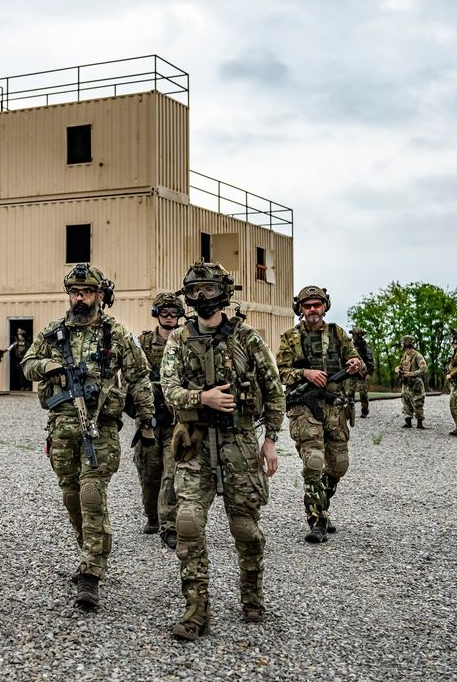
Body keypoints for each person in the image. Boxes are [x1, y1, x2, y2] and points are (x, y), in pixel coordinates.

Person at [21, 263, 154, 611]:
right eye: (75, 292)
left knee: (91, 493)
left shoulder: (116, 333)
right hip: (62, 427)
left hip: (100, 427)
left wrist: (147, 420)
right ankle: (88, 551)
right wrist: (50, 367)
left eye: (87, 292)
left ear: (99, 295)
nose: (80, 298)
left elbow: (140, 377)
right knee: (71, 496)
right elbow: (28, 363)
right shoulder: (55, 332)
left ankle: (91, 573)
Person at [160, 262, 283, 634]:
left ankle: (252, 597)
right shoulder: (178, 341)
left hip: (240, 446)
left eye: (208, 291)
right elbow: (168, 390)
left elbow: (275, 391)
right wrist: (204, 398)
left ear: (223, 293)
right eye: (194, 293)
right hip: (195, 446)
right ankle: (196, 610)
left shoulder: (246, 338)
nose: (201, 299)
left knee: (246, 529)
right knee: (189, 525)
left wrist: (271, 440)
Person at [276, 285, 365, 544]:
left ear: (324, 306)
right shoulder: (290, 338)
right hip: (304, 405)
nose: (312, 309)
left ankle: (321, 501)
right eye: (307, 306)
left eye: (317, 304)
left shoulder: (338, 334)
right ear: (300, 309)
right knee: (313, 461)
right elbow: (280, 371)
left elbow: (358, 362)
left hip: (335, 406)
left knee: (338, 466)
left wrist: (356, 364)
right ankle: (317, 519)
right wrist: (305, 374)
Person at [135, 291, 184, 548]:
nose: (168, 318)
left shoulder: (185, 342)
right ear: (156, 314)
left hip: (176, 419)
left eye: (173, 313)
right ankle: (152, 516)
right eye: (164, 313)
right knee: (149, 472)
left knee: (172, 473)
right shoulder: (143, 342)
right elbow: (132, 376)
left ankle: (169, 526)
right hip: (149, 419)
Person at [395, 336, 428, 428]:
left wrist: (410, 374)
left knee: (418, 403)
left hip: (415, 384)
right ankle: (408, 421)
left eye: (402, 342)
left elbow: (424, 369)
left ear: (406, 343)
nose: (401, 344)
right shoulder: (405, 355)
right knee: (406, 402)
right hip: (406, 384)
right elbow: (401, 366)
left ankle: (419, 423)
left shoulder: (417, 355)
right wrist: (398, 369)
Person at [346, 327, 375, 418]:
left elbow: (370, 360)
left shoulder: (366, 346)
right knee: (349, 393)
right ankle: (349, 412)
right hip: (351, 373)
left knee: (363, 393)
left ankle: (365, 411)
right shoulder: (349, 345)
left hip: (362, 374)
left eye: (354, 334)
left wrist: (369, 373)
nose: (353, 336)